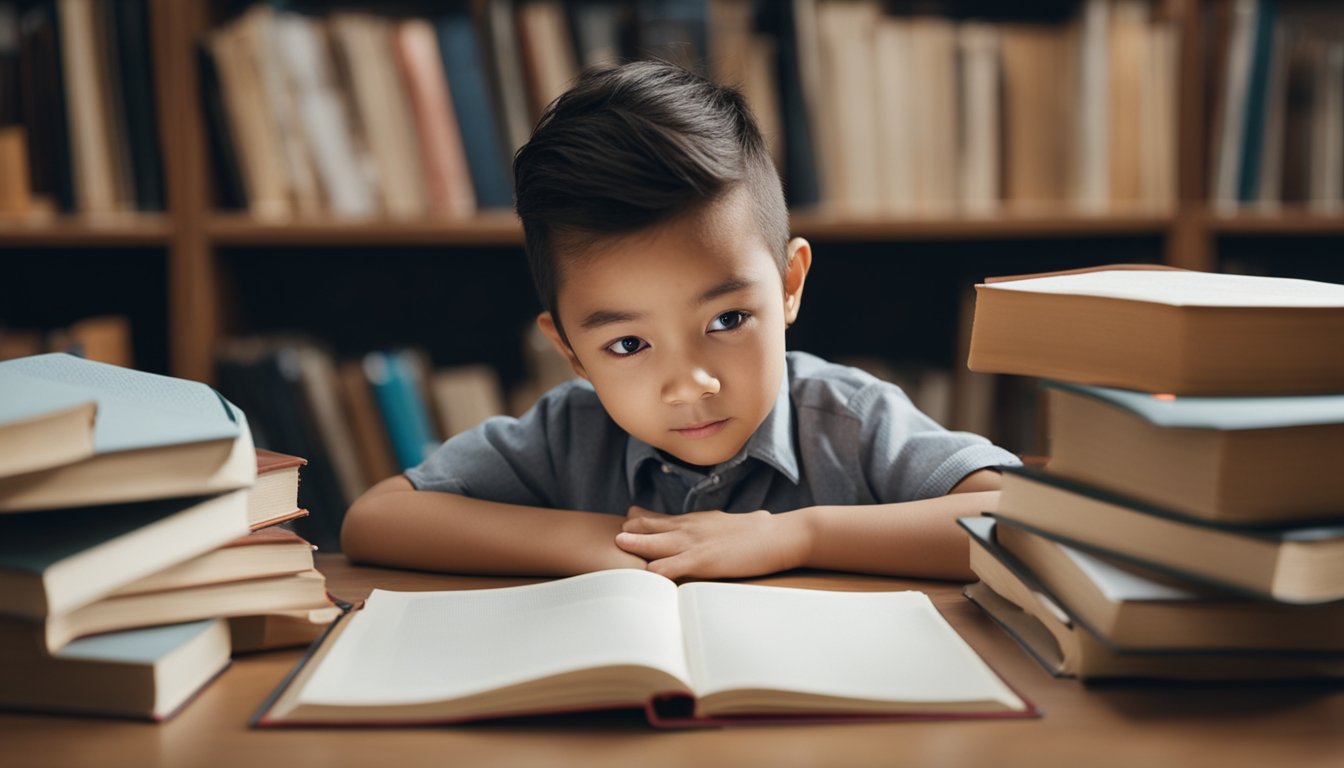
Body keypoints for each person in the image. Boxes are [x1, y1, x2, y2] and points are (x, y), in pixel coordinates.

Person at [341, 61, 1019, 581]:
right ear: (572, 351)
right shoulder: (566, 435)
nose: (690, 384)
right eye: (628, 343)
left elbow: (1022, 522)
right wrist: (610, 544)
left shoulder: (849, 419)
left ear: (788, 284)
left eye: (727, 319)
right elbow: (376, 521)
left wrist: (799, 535)